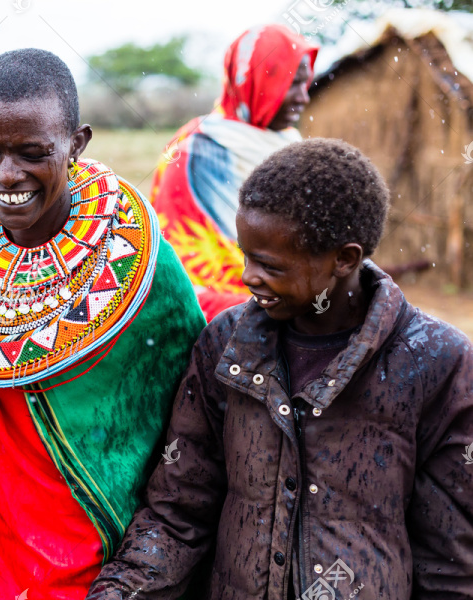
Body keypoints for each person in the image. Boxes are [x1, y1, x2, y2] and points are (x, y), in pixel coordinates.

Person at [87, 139, 473, 599]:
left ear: (344, 259)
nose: (247, 277)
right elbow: (178, 512)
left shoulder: (436, 362)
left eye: (268, 265)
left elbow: (451, 558)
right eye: (245, 255)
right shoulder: (224, 347)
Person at [0, 49, 206, 600]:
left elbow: (193, 425)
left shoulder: (141, 265)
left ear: (77, 142)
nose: (6, 175)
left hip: (88, 557)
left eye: (32, 153)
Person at [150, 24, 318, 322]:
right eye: (293, 83)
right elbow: (179, 265)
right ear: (258, 82)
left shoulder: (291, 145)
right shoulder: (194, 151)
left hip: (288, 301)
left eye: (306, 85)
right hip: (210, 311)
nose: (304, 98)